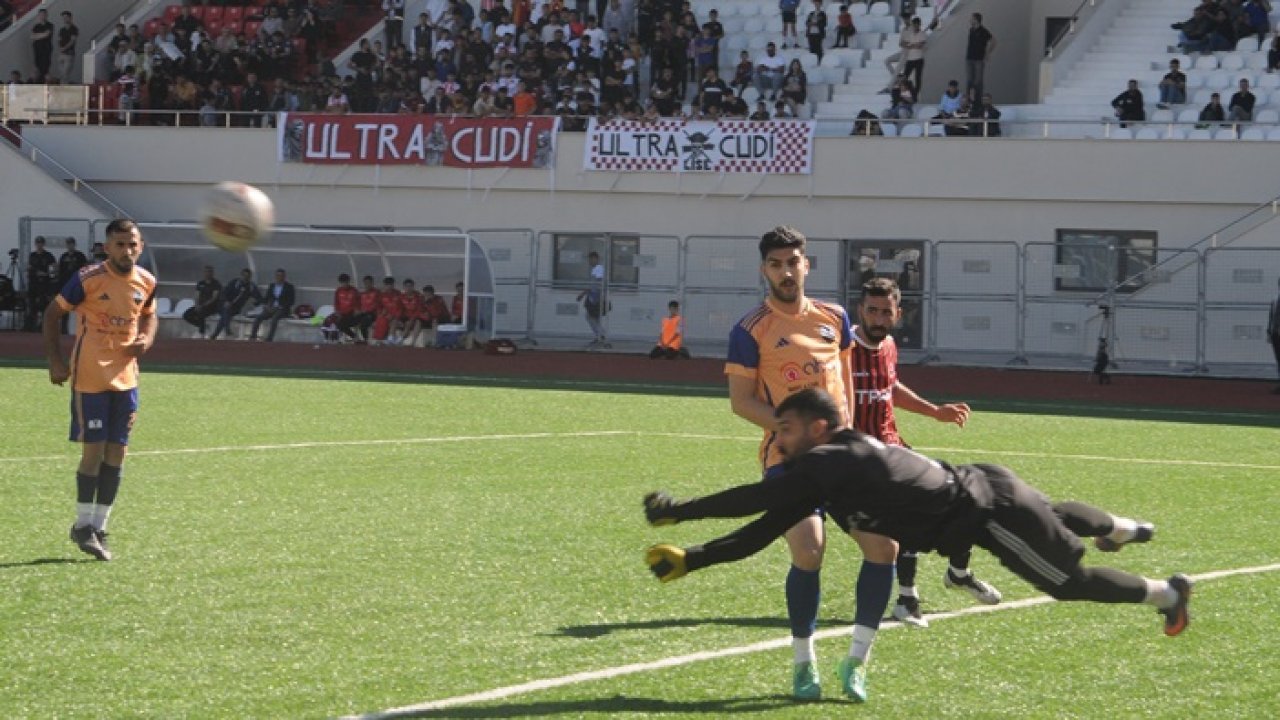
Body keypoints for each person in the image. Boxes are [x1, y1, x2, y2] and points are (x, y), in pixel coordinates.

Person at [642, 388, 1194, 702]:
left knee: (1068, 583)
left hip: (987, 514)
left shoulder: (836, 459)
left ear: (816, 428)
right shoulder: (829, 473)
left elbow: (750, 499)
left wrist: (679, 512)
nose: (776, 438)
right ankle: (1115, 529)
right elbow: (764, 527)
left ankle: (1167, 594)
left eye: (784, 428)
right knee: (1050, 519)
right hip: (988, 486)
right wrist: (695, 558)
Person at [724, 226, 894, 701]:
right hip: (789, 460)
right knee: (808, 550)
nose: (785, 271)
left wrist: (855, 435)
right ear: (765, 270)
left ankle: (857, 663)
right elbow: (741, 402)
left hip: (843, 458)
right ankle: (804, 664)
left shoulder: (834, 317)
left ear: (806, 265)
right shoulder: (750, 330)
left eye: (793, 262)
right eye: (776, 264)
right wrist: (795, 432)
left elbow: (845, 381)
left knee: (885, 548)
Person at [849, 278, 1000, 628]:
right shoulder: (842, 347)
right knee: (907, 516)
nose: (878, 319)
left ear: (897, 315)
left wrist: (935, 411)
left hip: (894, 447)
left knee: (965, 495)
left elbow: (890, 386)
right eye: (872, 310)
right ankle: (907, 598)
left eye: (886, 312)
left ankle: (958, 574)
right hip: (860, 459)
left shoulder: (887, 345)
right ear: (861, 310)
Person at [42, 219, 158, 562]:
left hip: (127, 380)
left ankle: (98, 527)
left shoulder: (147, 281)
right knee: (93, 453)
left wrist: (146, 339)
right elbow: (52, 314)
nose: (127, 250)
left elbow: (150, 315)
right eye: (120, 244)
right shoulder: (87, 279)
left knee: (117, 454)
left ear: (141, 246)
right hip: (90, 379)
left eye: (133, 244)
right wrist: (55, 361)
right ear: (107, 247)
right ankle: (81, 524)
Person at [209, 268, 260, 340]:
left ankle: (216, 334)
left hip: (235, 308)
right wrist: (226, 301)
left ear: (250, 277)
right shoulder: (234, 282)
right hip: (223, 305)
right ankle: (224, 331)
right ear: (241, 275)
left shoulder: (251, 287)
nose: (245, 278)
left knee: (226, 313)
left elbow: (259, 298)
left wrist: (254, 302)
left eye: (247, 277)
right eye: (244, 276)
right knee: (226, 310)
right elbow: (223, 293)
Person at [249, 268, 294, 342]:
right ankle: (253, 336)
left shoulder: (289, 287)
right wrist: (265, 305)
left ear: (284, 277)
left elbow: (291, 301)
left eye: (281, 276)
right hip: (271, 308)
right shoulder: (272, 286)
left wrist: (280, 307)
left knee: (274, 319)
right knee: (259, 317)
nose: (279, 277)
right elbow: (267, 298)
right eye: (278, 276)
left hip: (282, 309)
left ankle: (269, 338)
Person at [576, 250, 608, 348]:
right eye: (589, 259)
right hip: (593, 296)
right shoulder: (595, 269)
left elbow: (597, 284)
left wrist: (584, 294)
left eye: (591, 259)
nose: (590, 261)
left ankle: (600, 336)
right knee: (594, 318)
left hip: (596, 296)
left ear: (596, 259)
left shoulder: (598, 269)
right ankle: (600, 336)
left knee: (590, 316)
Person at [26, 236, 57, 331]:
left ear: (43, 244)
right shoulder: (32, 255)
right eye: (37, 243)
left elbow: (53, 268)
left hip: (44, 284)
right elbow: (30, 268)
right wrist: (36, 273)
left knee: (44, 305)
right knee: (32, 305)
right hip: (34, 283)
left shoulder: (49, 256)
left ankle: (44, 326)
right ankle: (31, 326)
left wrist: (47, 274)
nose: (39, 245)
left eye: (41, 243)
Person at [964, 12, 996, 103]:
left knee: (978, 81)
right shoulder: (971, 30)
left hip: (978, 59)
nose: (970, 20)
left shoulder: (983, 31)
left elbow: (993, 41)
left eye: (972, 18)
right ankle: (968, 100)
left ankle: (978, 101)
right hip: (969, 58)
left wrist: (988, 53)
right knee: (969, 80)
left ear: (976, 20)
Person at [182, 266, 222, 337]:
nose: (207, 274)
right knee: (186, 315)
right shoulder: (201, 283)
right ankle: (203, 326)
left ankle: (201, 333)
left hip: (211, 307)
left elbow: (214, 298)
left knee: (201, 313)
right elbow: (197, 295)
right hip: (200, 306)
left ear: (212, 273)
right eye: (206, 272)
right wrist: (197, 305)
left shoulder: (216, 284)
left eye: (209, 272)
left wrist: (203, 305)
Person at [332, 273, 361, 342]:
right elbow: (336, 303)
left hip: (351, 314)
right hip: (342, 314)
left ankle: (353, 336)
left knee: (341, 323)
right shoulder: (338, 291)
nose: (344, 284)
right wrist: (337, 312)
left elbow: (358, 303)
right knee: (334, 320)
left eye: (345, 282)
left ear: (348, 282)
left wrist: (357, 310)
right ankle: (353, 336)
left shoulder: (354, 291)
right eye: (342, 283)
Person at [30, 9, 53, 83]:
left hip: (46, 50)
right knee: (37, 68)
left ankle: (47, 85)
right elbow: (32, 36)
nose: (42, 16)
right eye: (40, 14)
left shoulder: (50, 25)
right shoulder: (36, 26)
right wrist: (41, 35)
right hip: (37, 50)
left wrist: (38, 36)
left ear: (46, 15)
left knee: (45, 69)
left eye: (43, 14)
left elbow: (46, 34)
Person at [56, 11, 78, 84]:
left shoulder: (74, 29)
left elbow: (72, 41)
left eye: (66, 17)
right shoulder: (61, 30)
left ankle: (64, 87)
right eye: (63, 18)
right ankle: (63, 85)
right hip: (61, 54)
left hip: (69, 54)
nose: (65, 19)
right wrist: (60, 48)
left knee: (65, 72)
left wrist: (64, 48)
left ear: (70, 18)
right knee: (62, 73)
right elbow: (59, 40)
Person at [1268, 278, 1280, 393]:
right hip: (1276, 333)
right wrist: (1269, 332)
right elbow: (1271, 316)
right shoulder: (1275, 299)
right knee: (1279, 358)